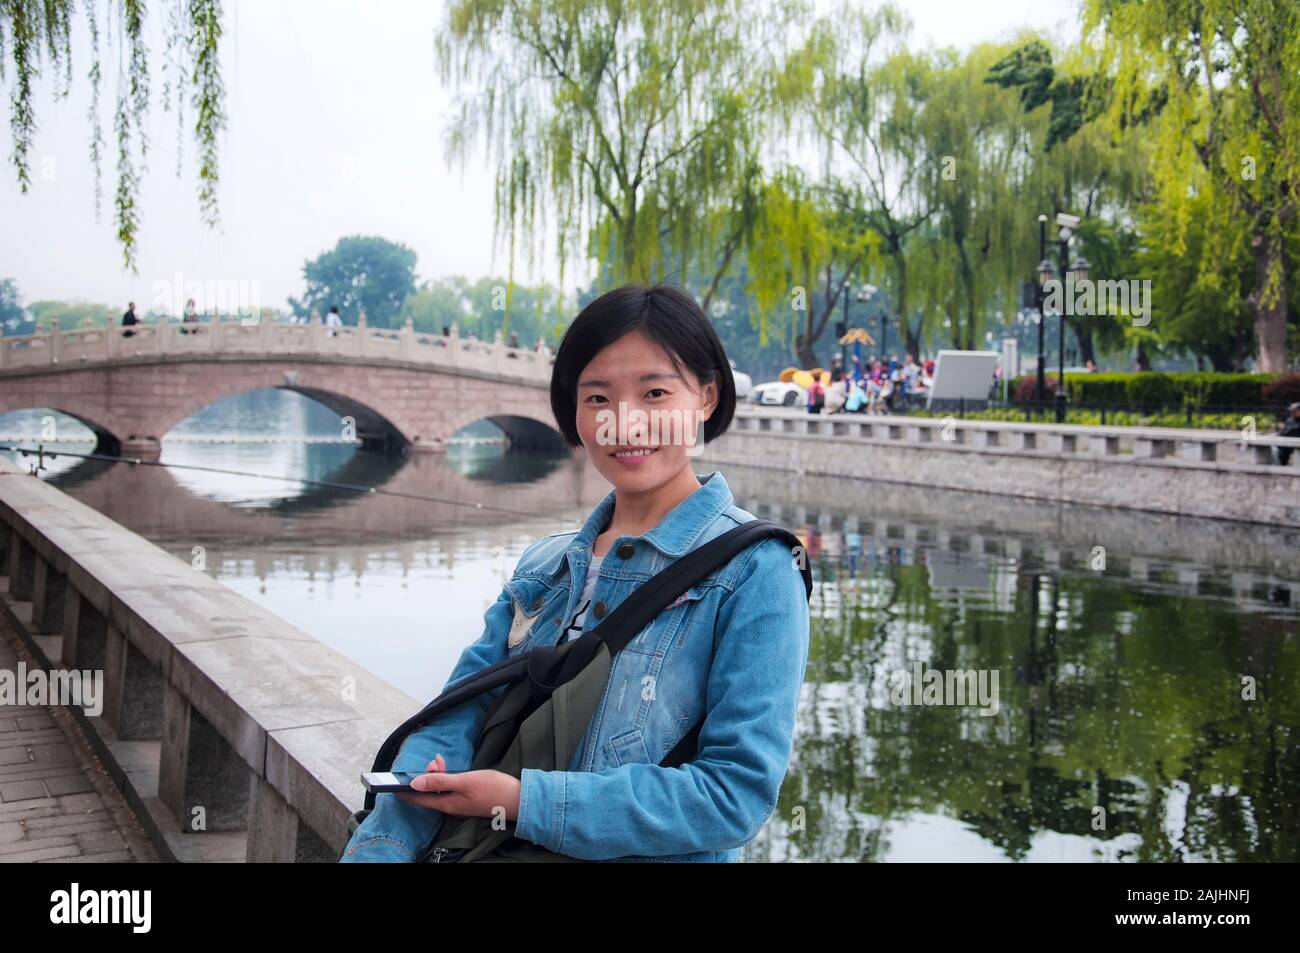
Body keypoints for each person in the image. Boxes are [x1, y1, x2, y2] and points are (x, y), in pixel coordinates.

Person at [340, 283, 811, 863]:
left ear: (707, 398)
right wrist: (381, 848)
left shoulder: (757, 571)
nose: (624, 424)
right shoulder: (545, 566)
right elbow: (450, 722)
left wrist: (523, 801)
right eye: (597, 399)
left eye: (656, 393)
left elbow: (732, 796)